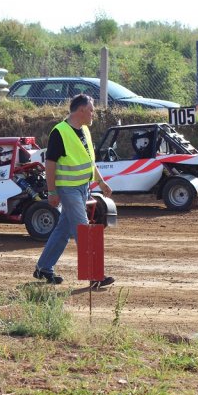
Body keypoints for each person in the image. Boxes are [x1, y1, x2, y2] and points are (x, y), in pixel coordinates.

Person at [33, 94, 114, 286]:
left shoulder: (84, 130)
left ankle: (43, 268)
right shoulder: (59, 132)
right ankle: (95, 275)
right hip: (68, 190)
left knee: (63, 230)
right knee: (83, 229)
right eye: (92, 110)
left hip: (82, 188)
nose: (94, 114)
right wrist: (52, 192)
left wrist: (101, 182)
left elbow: (89, 161)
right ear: (81, 111)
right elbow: (50, 164)